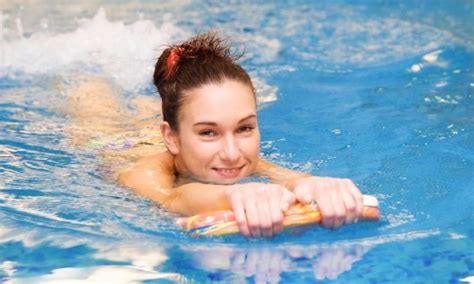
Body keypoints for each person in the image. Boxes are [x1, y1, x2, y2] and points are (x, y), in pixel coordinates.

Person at [117, 32, 365, 238]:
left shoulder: (250, 162)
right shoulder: (141, 173)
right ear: (171, 138)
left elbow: (289, 179)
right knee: (99, 105)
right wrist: (233, 194)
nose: (232, 154)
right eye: (208, 132)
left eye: (244, 128)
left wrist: (316, 186)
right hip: (114, 139)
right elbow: (172, 199)